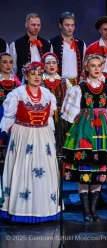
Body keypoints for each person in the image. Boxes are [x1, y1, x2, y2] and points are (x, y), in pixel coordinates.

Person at [61, 54, 107, 221]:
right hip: (84, 129)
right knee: (85, 168)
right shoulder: (79, 88)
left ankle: (94, 210)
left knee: (99, 167)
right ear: (87, 68)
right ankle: (86, 211)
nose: (96, 69)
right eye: (93, 65)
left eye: (99, 65)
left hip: (102, 130)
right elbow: (69, 114)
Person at [0, 61, 62, 223]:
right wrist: (6, 136)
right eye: (33, 74)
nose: (36, 77)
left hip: (43, 136)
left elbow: (49, 119)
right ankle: (21, 208)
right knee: (24, 169)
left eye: (39, 74)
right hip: (23, 135)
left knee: (44, 171)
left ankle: (43, 208)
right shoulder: (17, 94)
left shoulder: (47, 94)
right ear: (26, 76)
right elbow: (8, 117)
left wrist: (52, 138)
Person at [0, 53, 21, 203]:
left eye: (10, 62)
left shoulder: (16, 82)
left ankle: (11, 194)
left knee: (11, 155)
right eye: (4, 62)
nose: (8, 65)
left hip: (13, 120)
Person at [49, 11, 87, 86]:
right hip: (59, 84)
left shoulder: (81, 44)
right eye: (67, 25)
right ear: (60, 25)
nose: (70, 28)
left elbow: (84, 65)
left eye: (72, 25)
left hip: (77, 84)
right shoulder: (52, 43)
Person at [10, 13, 52, 78]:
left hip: (43, 83)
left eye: (38, 25)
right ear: (26, 24)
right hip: (23, 83)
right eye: (33, 25)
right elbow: (13, 68)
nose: (36, 27)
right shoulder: (16, 44)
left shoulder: (47, 45)